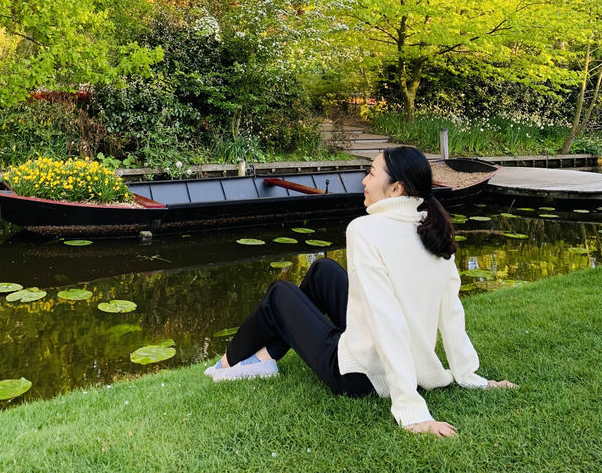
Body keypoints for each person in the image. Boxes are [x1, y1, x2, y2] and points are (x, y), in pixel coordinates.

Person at [204, 145, 517, 438]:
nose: (364, 180)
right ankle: (265, 358)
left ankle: (227, 365)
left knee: (279, 293)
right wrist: (467, 375)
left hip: (357, 376)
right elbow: (451, 313)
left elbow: (387, 319)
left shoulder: (364, 230)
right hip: (398, 360)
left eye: (371, 173)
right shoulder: (434, 230)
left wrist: (411, 409)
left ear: (397, 189)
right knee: (322, 271)